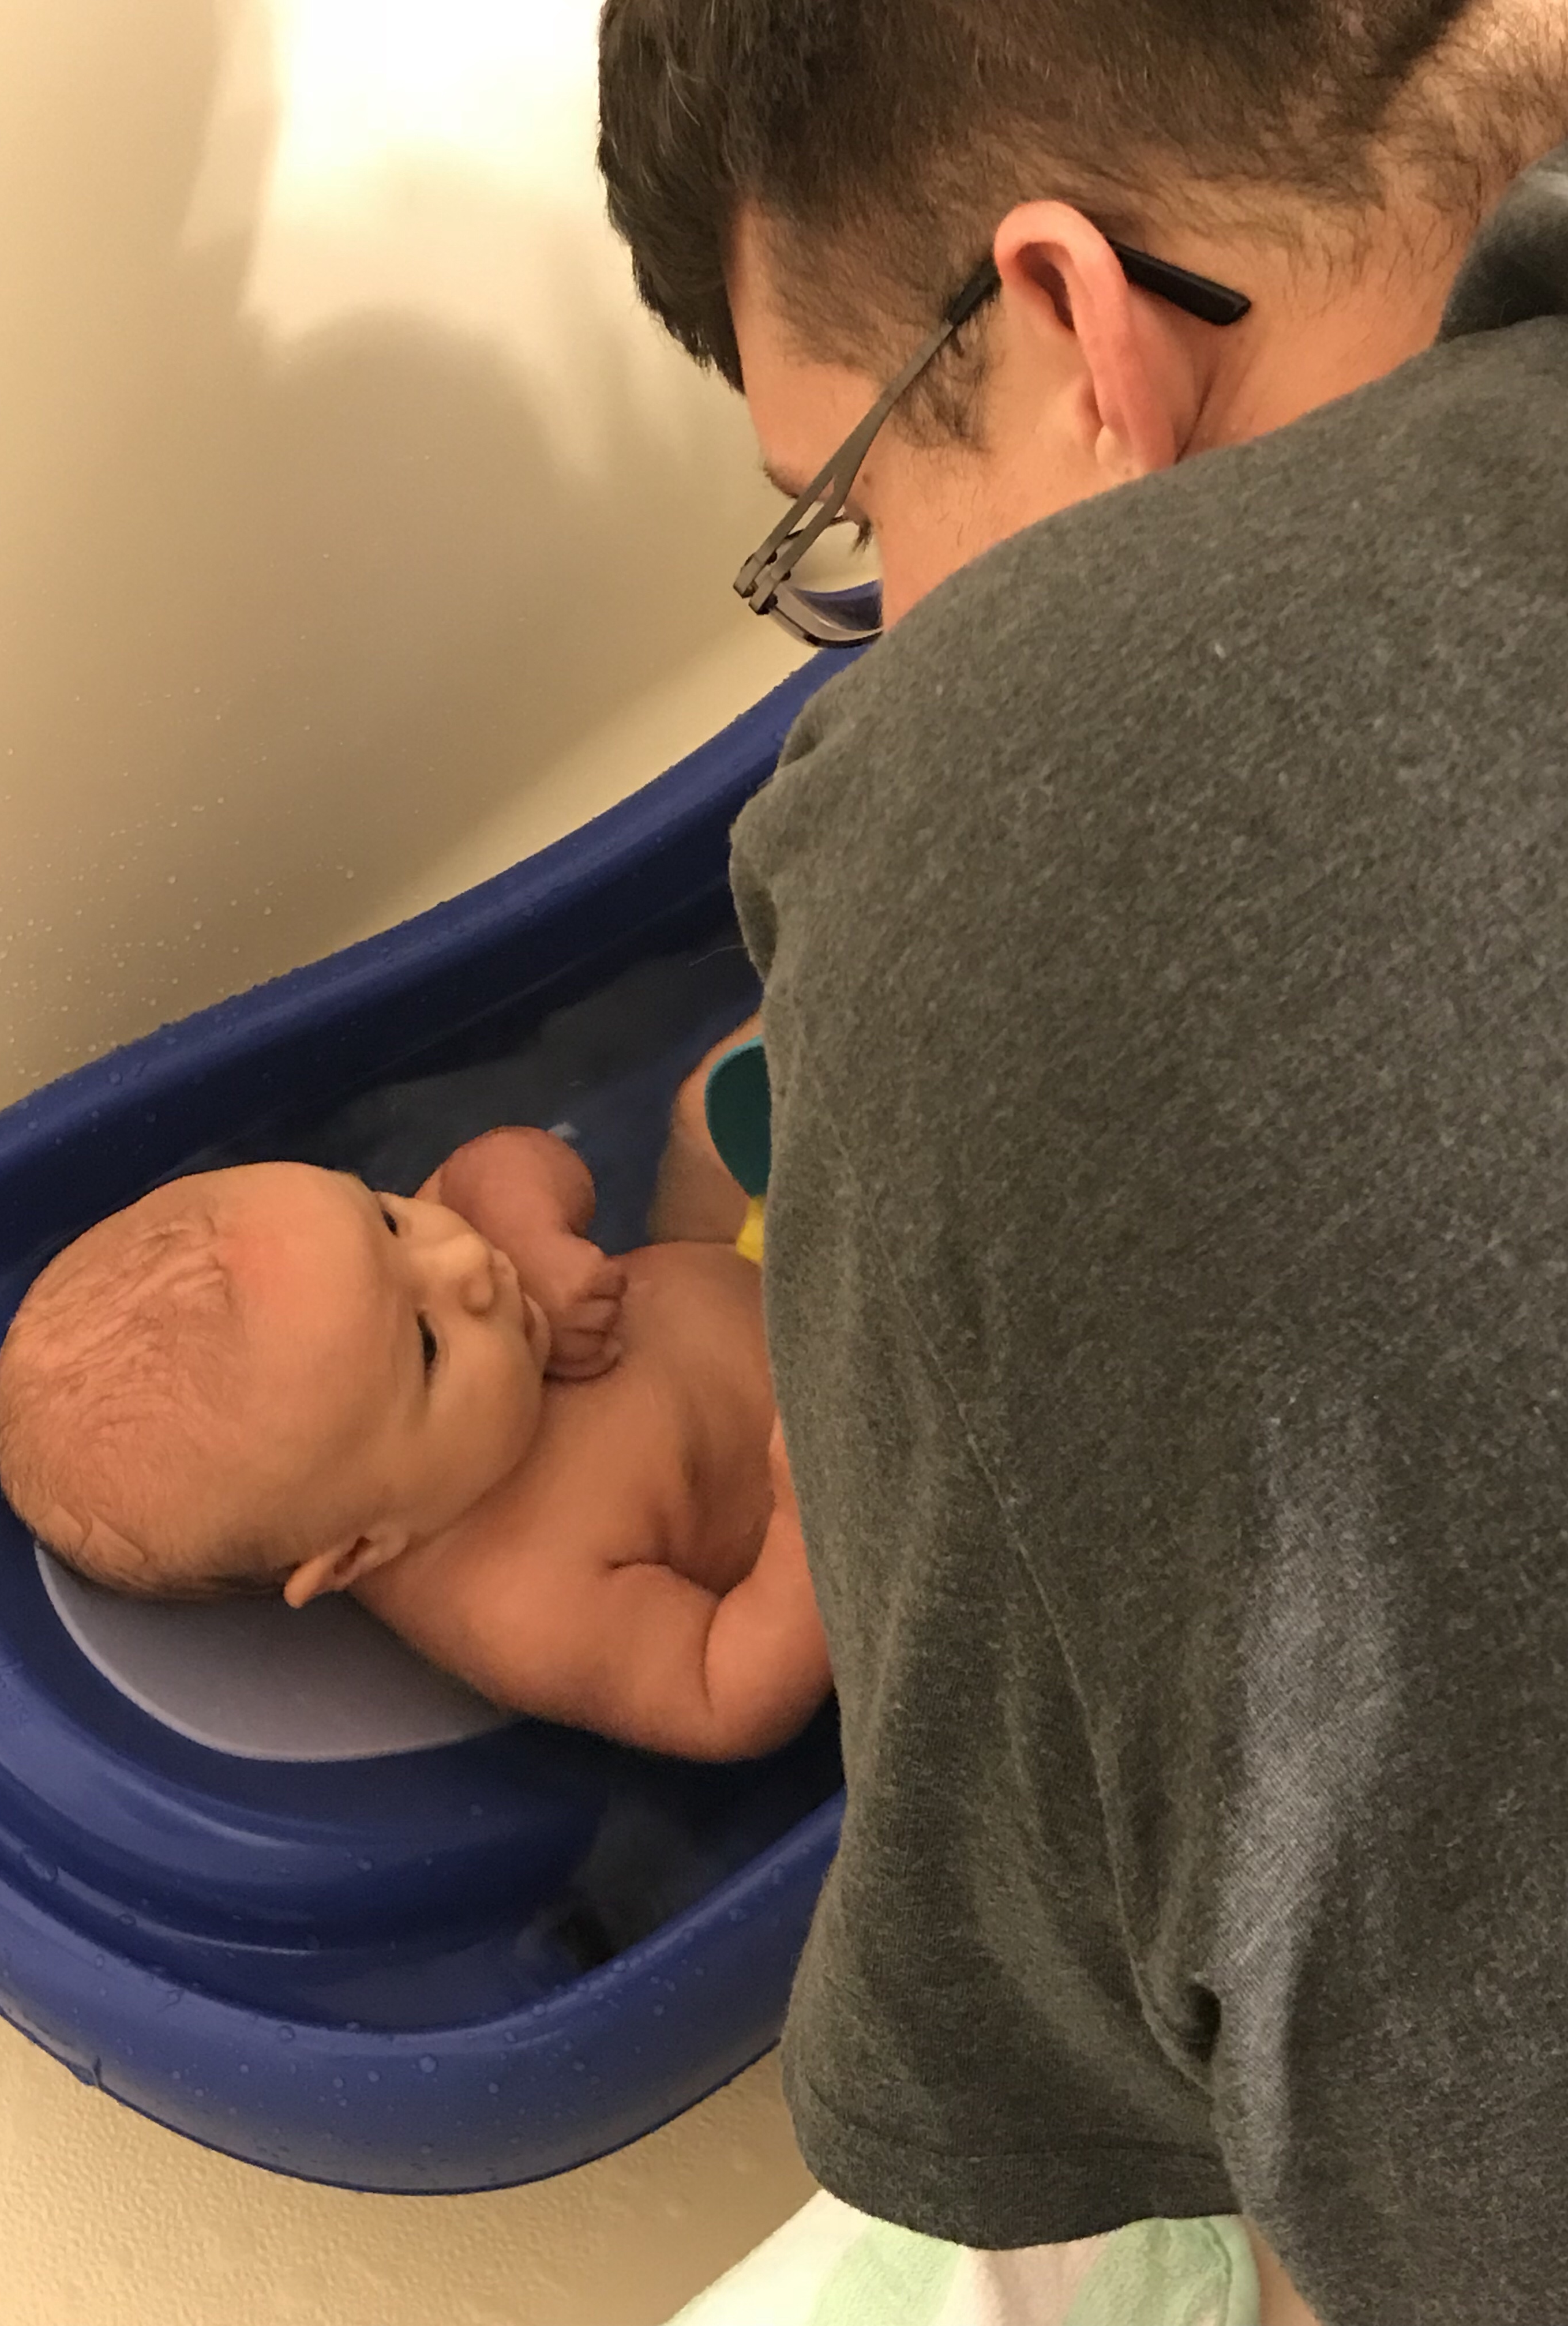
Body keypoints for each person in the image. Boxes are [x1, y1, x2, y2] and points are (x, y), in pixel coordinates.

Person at [597, 2, 1568, 2319]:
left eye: (847, 520)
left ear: (1063, 330)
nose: (881, 647)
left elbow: (1191, 2109)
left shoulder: (1006, 803)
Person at [0, 1127, 830, 1761]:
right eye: (427, 1345)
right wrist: (811, 1521)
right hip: (867, 1448)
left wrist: (532, 1236)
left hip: (758, 1256)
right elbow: (722, 1696)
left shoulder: (442, 1277)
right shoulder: (522, 1603)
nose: (464, 1259)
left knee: (709, 1106)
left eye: (386, 1219)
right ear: (361, 1548)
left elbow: (502, 1160)